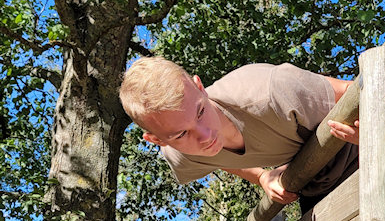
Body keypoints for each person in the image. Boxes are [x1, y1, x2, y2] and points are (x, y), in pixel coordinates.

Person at [119, 57, 359, 209]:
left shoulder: (271, 91)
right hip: (316, 186)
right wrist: (261, 176)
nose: (205, 136)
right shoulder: (182, 157)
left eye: (201, 112)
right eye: (181, 134)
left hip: (365, 155)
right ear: (157, 140)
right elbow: (217, 159)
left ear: (200, 87)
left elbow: (359, 91)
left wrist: (369, 132)